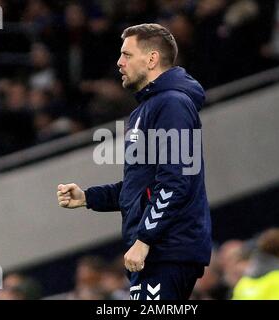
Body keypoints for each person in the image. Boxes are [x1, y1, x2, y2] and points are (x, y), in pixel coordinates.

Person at [57, 23, 212, 300]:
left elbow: (176, 181)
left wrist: (144, 240)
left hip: (166, 250)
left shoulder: (172, 104)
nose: (119, 62)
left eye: (127, 54)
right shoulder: (145, 109)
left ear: (152, 59)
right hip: (155, 253)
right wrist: (88, 197)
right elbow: (138, 188)